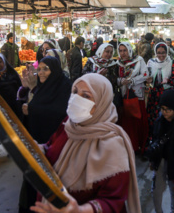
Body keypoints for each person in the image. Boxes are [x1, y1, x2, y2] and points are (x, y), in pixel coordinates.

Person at [30, 73, 141, 213]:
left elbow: (113, 200)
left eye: (86, 96)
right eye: (75, 92)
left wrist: (80, 210)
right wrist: (37, 148)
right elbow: (50, 147)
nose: (76, 98)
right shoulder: (68, 125)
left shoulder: (112, 145)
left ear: (101, 102)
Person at [19, 56, 72, 212]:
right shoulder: (43, 87)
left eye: (46, 69)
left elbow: (61, 113)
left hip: (56, 148)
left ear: (54, 70)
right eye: (39, 69)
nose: (41, 73)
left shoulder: (65, 87)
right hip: (38, 143)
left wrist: (33, 109)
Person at [148, 90, 174, 213]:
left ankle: (173, 211)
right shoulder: (159, 122)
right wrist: (152, 160)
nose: (164, 112)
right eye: (162, 109)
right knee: (156, 191)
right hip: (160, 162)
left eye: (168, 109)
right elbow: (154, 140)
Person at [117, 42, 149, 153]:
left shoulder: (139, 60)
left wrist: (132, 80)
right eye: (120, 50)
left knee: (137, 121)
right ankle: (128, 145)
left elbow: (145, 74)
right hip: (125, 96)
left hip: (137, 96)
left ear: (129, 50)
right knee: (127, 122)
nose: (122, 53)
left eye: (124, 50)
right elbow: (116, 77)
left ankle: (138, 146)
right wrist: (120, 81)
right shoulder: (118, 63)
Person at [146, 43, 174, 134]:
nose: (161, 55)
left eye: (163, 53)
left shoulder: (172, 63)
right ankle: (153, 136)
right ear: (155, 52)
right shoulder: (151, 62)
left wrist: (168, 80)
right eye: (159, 53)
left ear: (167, 52)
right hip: (154, 94)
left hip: (166, 94)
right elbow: (147, 75)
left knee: (166, 117)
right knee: (153, 116)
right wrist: (148, 80)